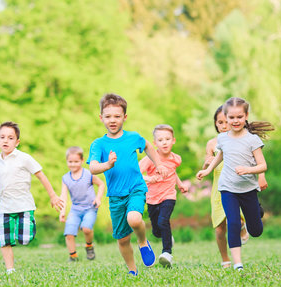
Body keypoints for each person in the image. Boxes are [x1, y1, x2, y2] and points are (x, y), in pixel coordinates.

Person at [87, 93, 168, 276]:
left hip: (135, 188)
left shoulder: (133, 137)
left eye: (117, 116)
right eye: (108, 116)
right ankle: (132, 270)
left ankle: (142, 242)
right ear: (101, 118)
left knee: (134, 218)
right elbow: (92, 168)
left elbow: (147, 146)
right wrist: (107, 165)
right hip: (115, 196)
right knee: (123, 240)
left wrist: (159, 164)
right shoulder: (99, 144)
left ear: (125, 117)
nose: (112, 120)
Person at [0, 121, 64, 273]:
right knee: (5, 241)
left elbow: (41, 176)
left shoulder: (24, 158)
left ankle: (29, 225)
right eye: (2, 137)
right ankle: (10, 270)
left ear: (17, 142)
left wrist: (53, 195)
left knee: (24, 239)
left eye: (10, 138)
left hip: (24, 206)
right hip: (5, 208)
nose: (5, 140)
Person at [197, 97, 273, 270]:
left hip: (247, 189)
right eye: (231, 118)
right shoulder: (222, 138)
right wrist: (207, 171)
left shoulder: (252, 140)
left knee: (256, 231)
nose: (235, 121)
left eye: (239, 117)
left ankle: (252, 219)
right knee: (232, 222)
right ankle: (237, 263)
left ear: (246, 116)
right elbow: (220, 155)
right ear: (226, 117)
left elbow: (263, 165)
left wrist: (248, 170)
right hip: (227, 188)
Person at [139, 124, 188, 268]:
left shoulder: (176, 158)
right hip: (152, 198)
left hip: (168, 195)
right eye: (160, 140)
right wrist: (149, 179)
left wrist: (180, 184)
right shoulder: (150, 159)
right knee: (156, 231)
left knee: (163, 221)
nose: (164, 142)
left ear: (173, 140)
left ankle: (167, 253)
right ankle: (167, 237)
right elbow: (136, 174)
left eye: (167, 139)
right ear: (155, 143)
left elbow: (173, 172)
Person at [59, 146, 105, 262]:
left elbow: (101, 184)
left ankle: (89, 246)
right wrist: (62, 211)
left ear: (82, 161)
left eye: (76, 161)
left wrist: (98, 198)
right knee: (69, 233)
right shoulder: (65, 178)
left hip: (90, 208)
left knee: (86, 229)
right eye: (70, 162)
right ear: (67, 161)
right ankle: (73, 256)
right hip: (75, 209)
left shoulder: (89, 174)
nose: (73, 164)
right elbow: (63, 196)